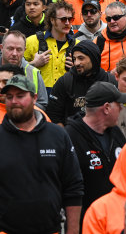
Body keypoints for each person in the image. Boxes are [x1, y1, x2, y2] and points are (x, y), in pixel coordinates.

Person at [0, 75, 84, 234]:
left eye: (20, 96)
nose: (14, 101)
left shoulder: (58, 135)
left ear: (34, 98)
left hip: (49, 229)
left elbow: (73, 187)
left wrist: (73, 230)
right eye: (9, 97)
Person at [65, 81, 126, 221]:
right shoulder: (70, 137)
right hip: (87, 221)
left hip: (117, 219)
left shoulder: (116, 133)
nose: (121, 109)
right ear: (106, 108)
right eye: (118, 104)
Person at [47, 40, 116, 125]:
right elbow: (54, 115)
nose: (76, 63)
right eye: (74, 59)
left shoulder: (110, 81)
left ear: (93, 58)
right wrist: (65, 136)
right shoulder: (65, 81)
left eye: (81, 58)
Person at [24, 0, 78, 91]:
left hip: (66, 96)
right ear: (52, 20)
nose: (67, 23)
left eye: (70, 19)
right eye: (63, 19)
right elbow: (14, 69)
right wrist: (33, 64)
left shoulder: (77, 45)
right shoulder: (32, 41)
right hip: (38, 97)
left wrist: (77, 68)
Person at [0, 30, 48, 108]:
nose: (14, 54)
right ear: (1, 48)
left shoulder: (33, 73)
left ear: (24, 50)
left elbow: (43, 104)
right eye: (10, 49)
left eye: (19, 50)